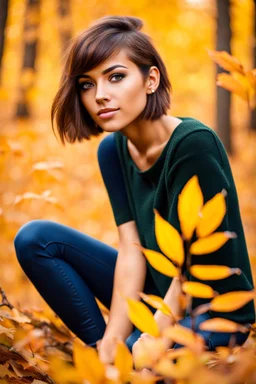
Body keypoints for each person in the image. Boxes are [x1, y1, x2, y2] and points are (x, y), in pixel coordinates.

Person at [13, 15, 255, 365]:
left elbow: (188, 270)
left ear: (150, 79)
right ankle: (106, 359)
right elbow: (131, 249)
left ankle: (132, 355)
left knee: (146, 356)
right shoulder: (112, 151)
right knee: (36, 238)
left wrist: (153, 333)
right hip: (155, 293)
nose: (100, 96)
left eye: (116, 77)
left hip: (214, 311)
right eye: (86, 84)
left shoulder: (192, 144)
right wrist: (113, 336)